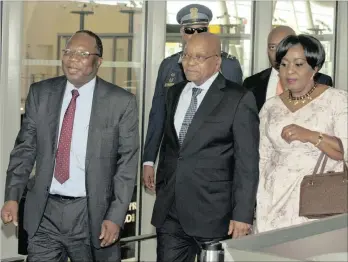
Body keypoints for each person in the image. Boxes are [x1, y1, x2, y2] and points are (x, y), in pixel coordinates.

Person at [1, 30, 139, 262]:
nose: (72, 58)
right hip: (46, 210)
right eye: (68, 52)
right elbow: (25, 149)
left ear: (98, 61)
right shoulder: (41, 93)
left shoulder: (120, 102)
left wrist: (116, 216)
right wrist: (12, 196)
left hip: (92, 214)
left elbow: (127, 164)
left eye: (82, 53)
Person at [151, 32, 260, 262]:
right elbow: (172, 148)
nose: (189, 62)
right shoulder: (175, 92)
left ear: (217, 61)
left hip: (214, 213)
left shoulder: (238, 98)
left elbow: (247, 163)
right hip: (171, 210)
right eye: (186, 55)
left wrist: (243, 215)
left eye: (199, 57)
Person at [143, 4, 243, 191]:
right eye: (190, 30)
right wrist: (148, 159)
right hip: (172, 163)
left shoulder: (228, 66)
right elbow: (158, 115)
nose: (195, 35)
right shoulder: (169, 66)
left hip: (212, 170)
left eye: (201, 30)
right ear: (182, 32)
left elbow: (237, 122)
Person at [255, 34, 347, 233]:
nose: (289, 71)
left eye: (298, 64)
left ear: (315, 68)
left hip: (318, 203)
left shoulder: (337, 100)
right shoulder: (271, 106)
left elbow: (344, 151)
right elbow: (263, 159)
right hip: (272, 203)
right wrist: (257, 203)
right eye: (284, 64)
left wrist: (311, 136)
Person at [243, 26, 333, 112]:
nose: (278, 52)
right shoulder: (251, 83)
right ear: (267, 50)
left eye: (285, 46)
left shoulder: (322, 81)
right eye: (273, 47)